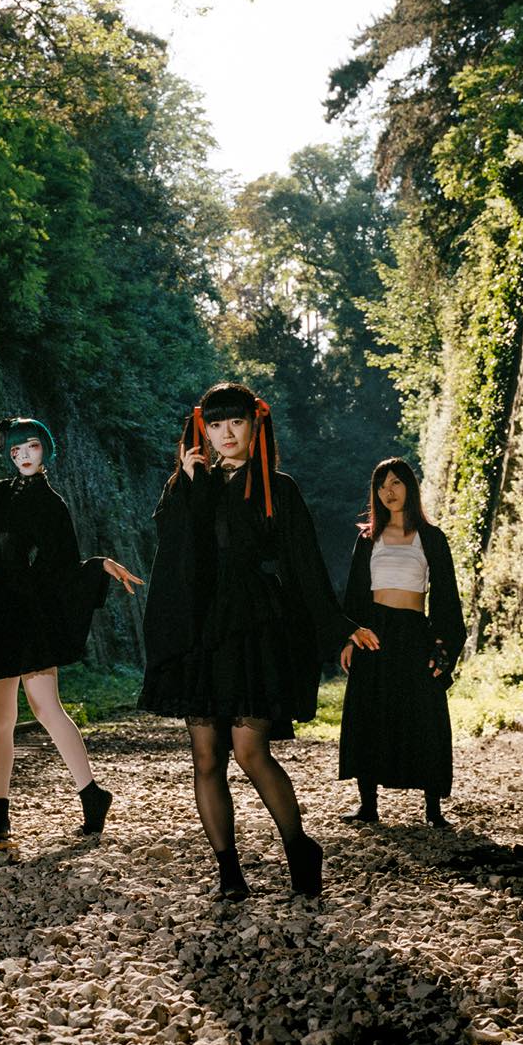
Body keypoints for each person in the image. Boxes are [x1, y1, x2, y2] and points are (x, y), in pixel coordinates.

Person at [140, 382, 379, 899]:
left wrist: (339, 624)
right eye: (216, 424)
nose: (226, 433)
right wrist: (190, 484)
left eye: (237, 422)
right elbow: (178, 551)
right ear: (202, 431)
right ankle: (229, 872)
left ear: (255, 425)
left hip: (254, 624)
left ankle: (299, 847)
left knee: (251, 751)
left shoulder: (278, 487)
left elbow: (305, 564)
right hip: (202, 627)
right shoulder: (187, 485)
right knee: (206, 757)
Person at [0, 417, 142, 844]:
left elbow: (63, 569)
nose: (23, 456)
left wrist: (98, 566)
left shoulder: (53, 505)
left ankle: (91, 794)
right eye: (15, 450)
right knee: (1, 719)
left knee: (47, 708)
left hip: (29, 614)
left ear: (44, 449)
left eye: (30, 446)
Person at [338, 458, 467, 828]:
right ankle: (368, 805)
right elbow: (355, 594)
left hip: (413, 631)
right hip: (374, 632)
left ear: (410, 486)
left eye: (395, 482)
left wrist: (442, 645)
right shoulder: (368, 539)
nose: (388, 492)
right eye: (381, 486)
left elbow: (446, 595)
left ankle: (433, 810)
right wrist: (350, 636)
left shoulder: (432, 537)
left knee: (424, 712)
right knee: (370, 709)